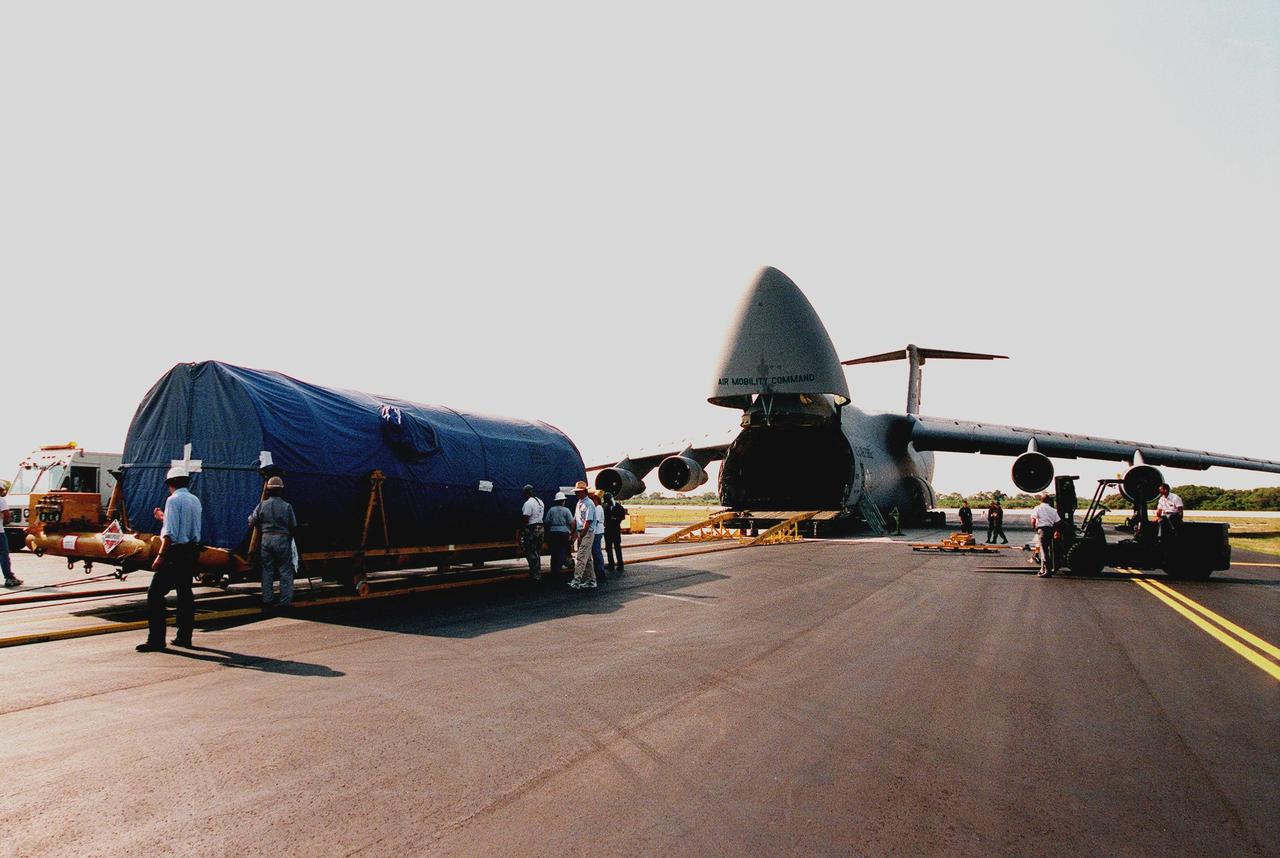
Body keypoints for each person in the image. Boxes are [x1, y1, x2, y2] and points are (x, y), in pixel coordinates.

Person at [137, 467, 202, 652]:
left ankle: (156, 640)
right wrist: (163, 518)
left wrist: (160, 556)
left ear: (170, 484)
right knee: (185, 594)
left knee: (155, 594)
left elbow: (171, 533)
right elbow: (183, 525)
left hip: (175, 553)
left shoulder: (172, 500)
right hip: (191, 552)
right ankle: (184, 637)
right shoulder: (194, 500)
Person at [248, 476, 298, 608]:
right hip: (282, 539)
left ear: (268, 490)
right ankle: (285, 601)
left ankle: (267, 599)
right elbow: (293, 525)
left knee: (267, 571)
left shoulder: (262, 505)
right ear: (281, 490)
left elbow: (251, 521)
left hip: (266, 539)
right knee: (285, 571)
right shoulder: (287, 507)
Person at [570, 481, 597, 590]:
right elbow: (575, 519)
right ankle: (591, 580)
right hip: (580, 532)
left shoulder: (589, 503)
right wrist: (573, 534)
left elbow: (588, 521)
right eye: (576, 492)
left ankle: (576, 580)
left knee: (581, 556)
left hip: (587, 532)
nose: (577, 494)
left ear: (584, 492)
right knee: (587, 558)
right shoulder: (579, 503)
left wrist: (583, 533)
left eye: (579, 492)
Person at [1030, 493, 1061, 576]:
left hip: (1042, 530)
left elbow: (1033, 520)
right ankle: (1044, 569)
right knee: (1050, 550)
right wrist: (1056, 531)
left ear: (1041, 500)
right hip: (1051, 530)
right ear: (1049, 501)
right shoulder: (1053, 510)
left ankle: (1047, 571)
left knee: (1044, 551)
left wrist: (1035, 529)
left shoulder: (1038, 508)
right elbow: (1058, 522)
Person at [519, 484, 546, 581]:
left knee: (530, 551)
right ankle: (536, 572)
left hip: (532, 528)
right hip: (541, 528)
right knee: (537, 551)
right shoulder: (540, 502)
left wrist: (522, 530)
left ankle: (535, 574)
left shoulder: (528, 503)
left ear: (526, 493)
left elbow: (526, 518)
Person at [544, 492, 574, 575]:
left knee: (554, 551)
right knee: (562, 551)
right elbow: (571, 522)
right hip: (564, 533)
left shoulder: (551, 510)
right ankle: (558, 568)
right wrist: (571, 533)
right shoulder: (566, 510)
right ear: (563, 501)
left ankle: (553, 569)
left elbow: (546, 522)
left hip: (553, 532)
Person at [0, 481, 22, 588]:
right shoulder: (1, 500)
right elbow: (7, 516)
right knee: (3, 554)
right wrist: (6, 520)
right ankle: (9, 578)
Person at [603, 492, 627, 572]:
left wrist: (616, 518)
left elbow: (623, 517)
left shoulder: (618, 507)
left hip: (615, 529)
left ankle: (620, 564)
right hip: (608, 530)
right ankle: (611, 564)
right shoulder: (606, 507)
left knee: (617, 547)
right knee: (608, 548)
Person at [590, 491, 607, 580]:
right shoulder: (597, 508)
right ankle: (598, 569)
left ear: (596, 500)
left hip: (597, 531)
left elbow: (595, 521)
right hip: (597, 530)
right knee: (595, 551)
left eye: (593, 500)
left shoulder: (598, 508)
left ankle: (600, 571)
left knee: (596, 551)